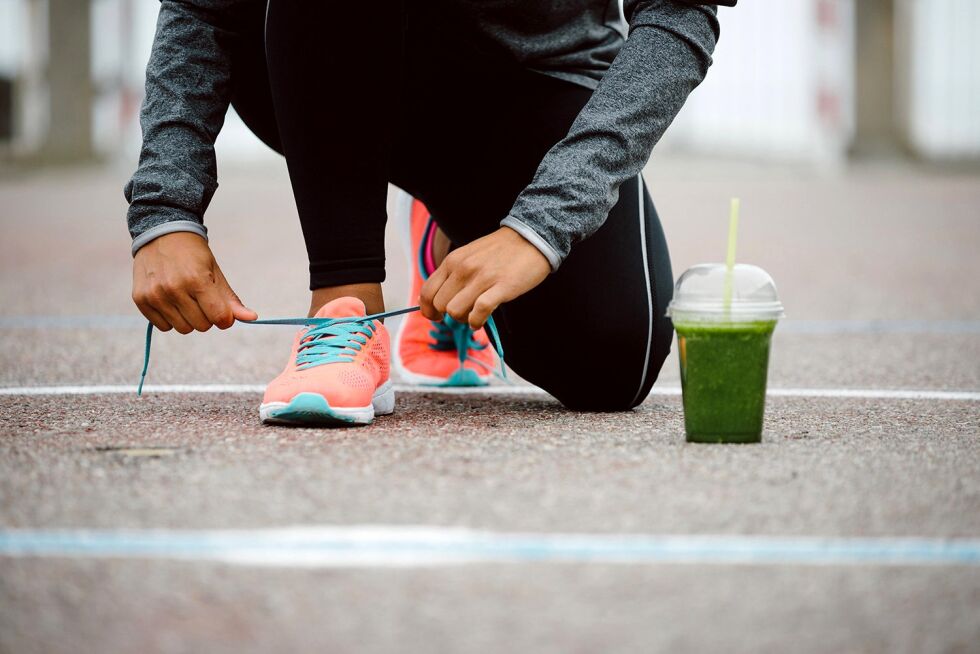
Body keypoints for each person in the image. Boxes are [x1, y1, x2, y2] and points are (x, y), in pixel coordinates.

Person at [127, 0, 731, 426]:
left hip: (536, 78)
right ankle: (345, 313)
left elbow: (681, 11)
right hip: (326, 57)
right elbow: (203, 8)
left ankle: (455, 229)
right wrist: (166, 210)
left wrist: (541, 226)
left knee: (609, 370)